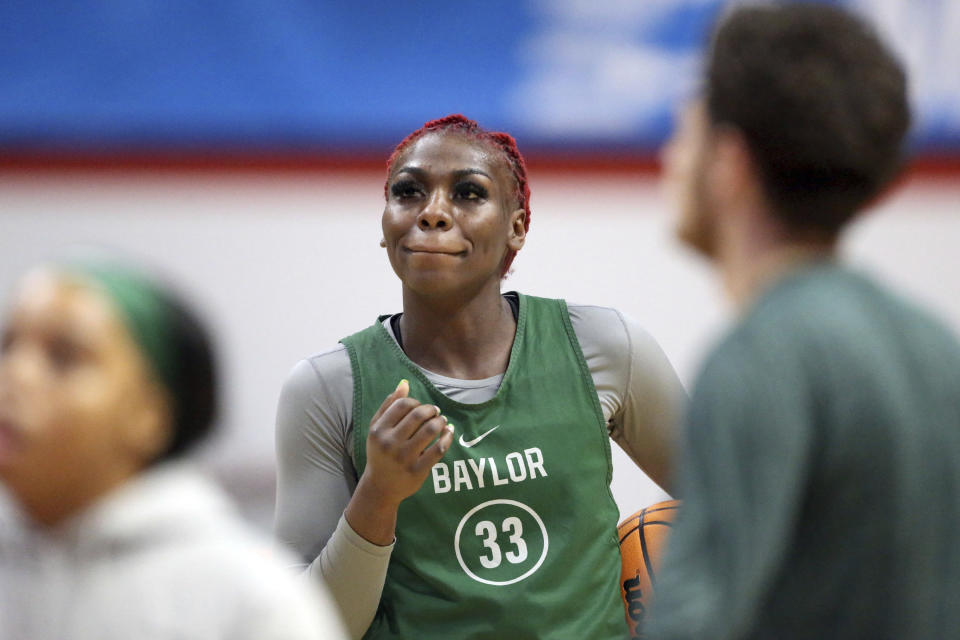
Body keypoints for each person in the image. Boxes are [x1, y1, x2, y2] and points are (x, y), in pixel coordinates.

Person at [274, 114, 687, 638]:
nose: (433, 213)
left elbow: (738, 508)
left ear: (516, 226)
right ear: (384, 224)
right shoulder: (327, 388)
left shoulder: (602, 346)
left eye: (468, 193)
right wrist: (380, 493)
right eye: (408, 192)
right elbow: (307, 629)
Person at [646, 3, 960, 639]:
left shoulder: (758, 358)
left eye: (684, 133)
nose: (667, 158)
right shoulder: (936, 346)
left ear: (730, 165)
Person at [0, 260, 347, 639]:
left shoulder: (249, 601)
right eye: (8, 347)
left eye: (63, 357)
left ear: (149, 413)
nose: (15, 376)